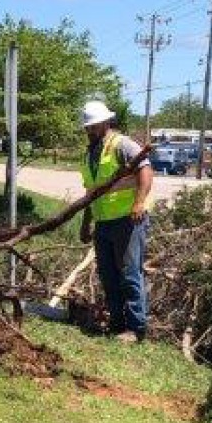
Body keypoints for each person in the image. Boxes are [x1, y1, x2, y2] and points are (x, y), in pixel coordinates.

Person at [77, 100, 153, 344]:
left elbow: (146, 171)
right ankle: (117, 324)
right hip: (103, 223)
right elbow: (92, 192)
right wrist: (85, 222)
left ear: (106, 123)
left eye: (94, 126)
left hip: (128, 221)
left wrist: (139, 203)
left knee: (130, 274)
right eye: (87, 127)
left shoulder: (122, 145)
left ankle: (136, 328)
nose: (90, 131)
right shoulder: (89, 154)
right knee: (108, 275)